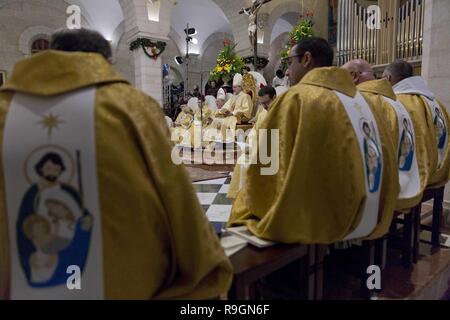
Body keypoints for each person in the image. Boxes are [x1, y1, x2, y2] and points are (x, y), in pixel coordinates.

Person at [0, 28, 232, 300]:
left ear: (53, 54)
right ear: (105, 62)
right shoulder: (132, 107)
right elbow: (174, 194)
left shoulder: (6, 109)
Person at [228, 37, 398, 243]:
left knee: (244, 210)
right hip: (371, 208)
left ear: (306, 59)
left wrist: (249, 202)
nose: (288, 71)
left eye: (290, 62)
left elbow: (266, 171)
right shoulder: (364, 101)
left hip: (318, 219)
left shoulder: (296, 98)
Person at [343, 59, 421, 211]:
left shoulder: (359, 102)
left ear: (353, 76)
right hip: (406, 182)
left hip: (375, 195)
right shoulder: (397, 101)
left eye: (340, 76)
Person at [384, 60, 450, 188]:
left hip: (413, 179)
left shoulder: (393, 103)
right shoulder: (435, 102)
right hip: (438, 172)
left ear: (388, 78)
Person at [228, 86, 276, 199]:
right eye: (262, 103)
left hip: (273, 152)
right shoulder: (263, 111)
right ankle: (244, 197)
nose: (264, 106)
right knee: (242, 161)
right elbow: (255, 130)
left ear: (274, 97)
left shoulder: (282, 112)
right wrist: (250, 144)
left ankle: (256, 197)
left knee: (250, 164)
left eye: (267, 102)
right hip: (258, 148)